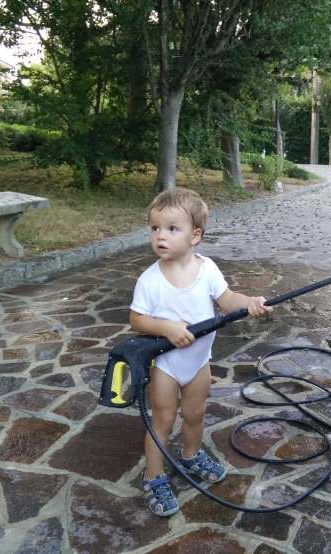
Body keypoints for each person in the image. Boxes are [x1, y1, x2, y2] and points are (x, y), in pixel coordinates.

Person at [129, 188, 273, 516]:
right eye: (155, 228)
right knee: (162, 420)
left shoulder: (206, 269)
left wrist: (250, 303)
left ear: (195, 235)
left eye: (171, 229)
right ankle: (153, 477)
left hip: (199, 363)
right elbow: (137, 319)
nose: (160, 236)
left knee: (195, 414)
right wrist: (167, 328)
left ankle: (191, 455)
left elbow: (228, 298)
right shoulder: (150, 280)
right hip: (166, 364)